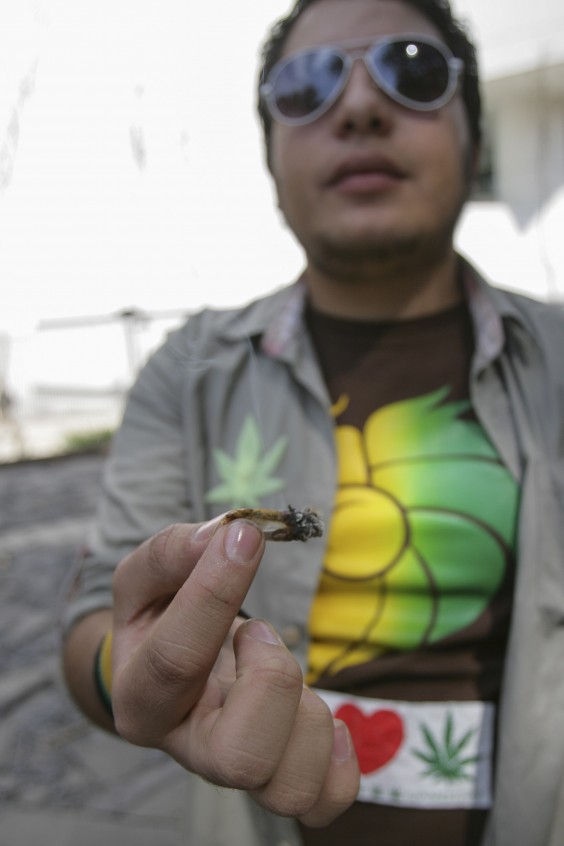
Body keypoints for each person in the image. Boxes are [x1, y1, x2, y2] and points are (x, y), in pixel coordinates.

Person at [61, 1, 564, 844]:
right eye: (306, 85)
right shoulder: (187, 373)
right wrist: (134, 672)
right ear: (269, 156)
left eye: (413, 70)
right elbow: (92, 620)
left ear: (474, 136)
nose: (360, 107)